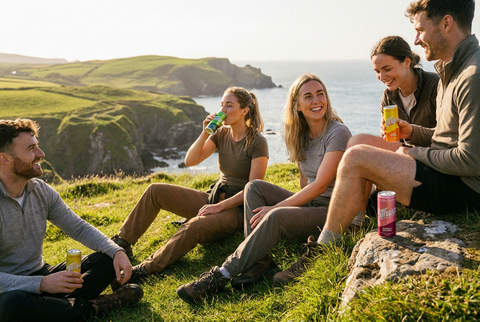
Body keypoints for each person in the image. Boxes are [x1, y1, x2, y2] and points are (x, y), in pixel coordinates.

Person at [276, 0, 480, 281]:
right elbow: (446, 138)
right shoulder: (452, 71)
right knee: (359, 143)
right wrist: (412, 135)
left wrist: (413, 153)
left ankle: (323, 249)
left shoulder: (472, 76)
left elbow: (471, 160)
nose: (416, 39)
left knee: (357, 158)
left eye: (420, 30)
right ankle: (355, 220)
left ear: (446, 23)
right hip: (444, 171)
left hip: (464, 188)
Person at [175, 74, 352, 303]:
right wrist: (296, 211)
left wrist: (277, 208)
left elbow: (319, 186)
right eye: (308, 96)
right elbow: (304, 182)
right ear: (297, 106)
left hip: (332, 210)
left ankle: (220, 275)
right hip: (312, 205)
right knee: (254, 187)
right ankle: (261, 261)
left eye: (321, 94)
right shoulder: (300, 135)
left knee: (276, 215)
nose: (317, 100)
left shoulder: (337, 132)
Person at [110, 86, 269, 285]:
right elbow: (190, 161)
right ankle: (123, 242)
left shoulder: (258, 142)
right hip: (212, 198)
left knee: (194, 225)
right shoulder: (221, 134)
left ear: (245, 110)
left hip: (236, 210)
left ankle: (146, 268)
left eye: (229, 105)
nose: (223, 110)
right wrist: (205, 133)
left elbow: (253, 188)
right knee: (155, 191)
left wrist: (220, 206)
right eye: (222, 105)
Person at [0, 119, 143, 322]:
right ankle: (93, 307)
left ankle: (56, 307)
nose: (41, 154)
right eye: (31, 149)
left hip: (41, 273)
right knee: (10, 306)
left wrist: (116, 251)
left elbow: (78, 228)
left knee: (108, 258)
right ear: (5, 158)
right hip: (9, 289)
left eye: (37, 146)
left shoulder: (40, 190)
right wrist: (42, 284)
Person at [357, 35, 440, 222]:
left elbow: (448, 139)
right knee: (358, 143)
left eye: (387, 69)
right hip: (406, 157)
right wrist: (387, 135)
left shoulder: (435, 86)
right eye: (377, 71)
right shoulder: (389, 96)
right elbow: (395, 143)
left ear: (407, 62)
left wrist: (411, 132)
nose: (382, 77)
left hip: (432, 163)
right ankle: (358, 218)